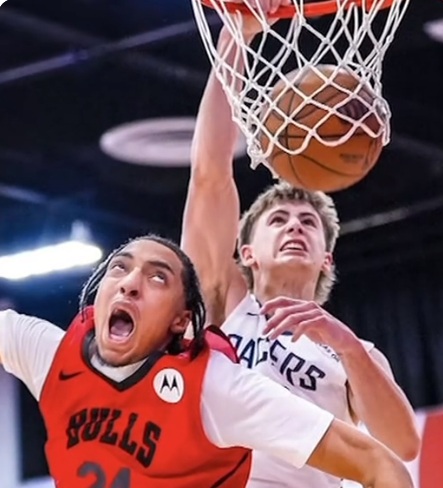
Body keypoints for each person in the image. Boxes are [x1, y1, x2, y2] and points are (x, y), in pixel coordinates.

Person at [181, 2, 421, 487]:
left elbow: (402, 445)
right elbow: (210, 174)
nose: (295, 227)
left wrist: (347, 346)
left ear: (326, 257)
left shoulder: (355, 352)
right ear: (246, 252)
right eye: (278, 220)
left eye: (308, 222)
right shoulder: (224, 305)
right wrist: (237, 37)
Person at [0, 235, 413, 488]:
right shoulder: (48, 353)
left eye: (157, 277)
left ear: (181, 321)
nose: (130, 283)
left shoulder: (216, 387)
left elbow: (380, 464)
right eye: (119, 268)